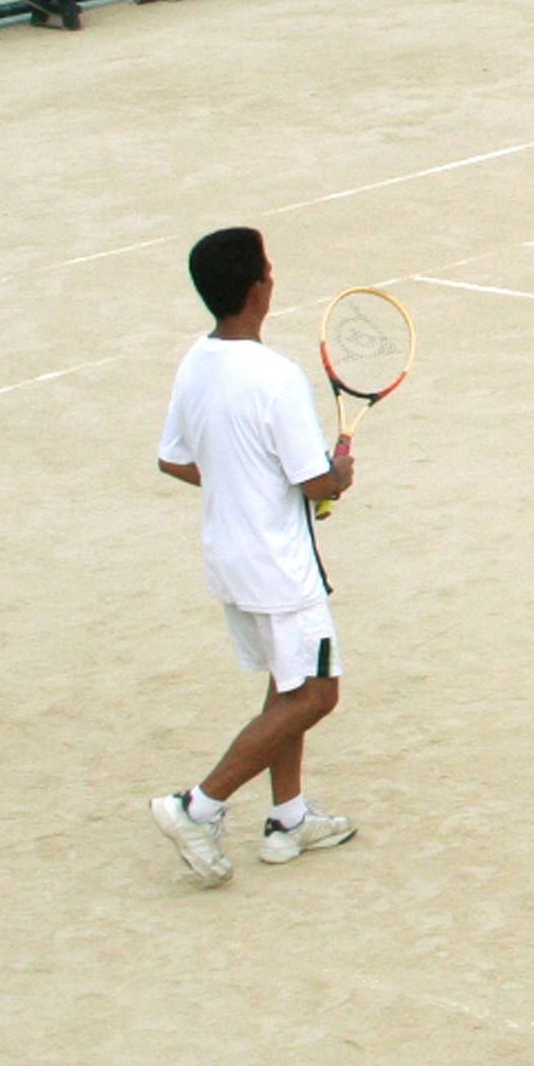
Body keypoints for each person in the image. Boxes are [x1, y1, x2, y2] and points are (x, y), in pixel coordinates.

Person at [148, 226, 357, 887]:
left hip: (229, 560)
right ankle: (197, 806)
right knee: (317, 694)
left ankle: (289, 818)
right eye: (267, 270)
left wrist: (245, 482)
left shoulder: (196, 361)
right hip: (279, 567)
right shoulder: (276, 378)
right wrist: (339, 476)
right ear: (255, 289)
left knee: (286, 682)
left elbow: (174, 458)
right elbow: (315, 483)